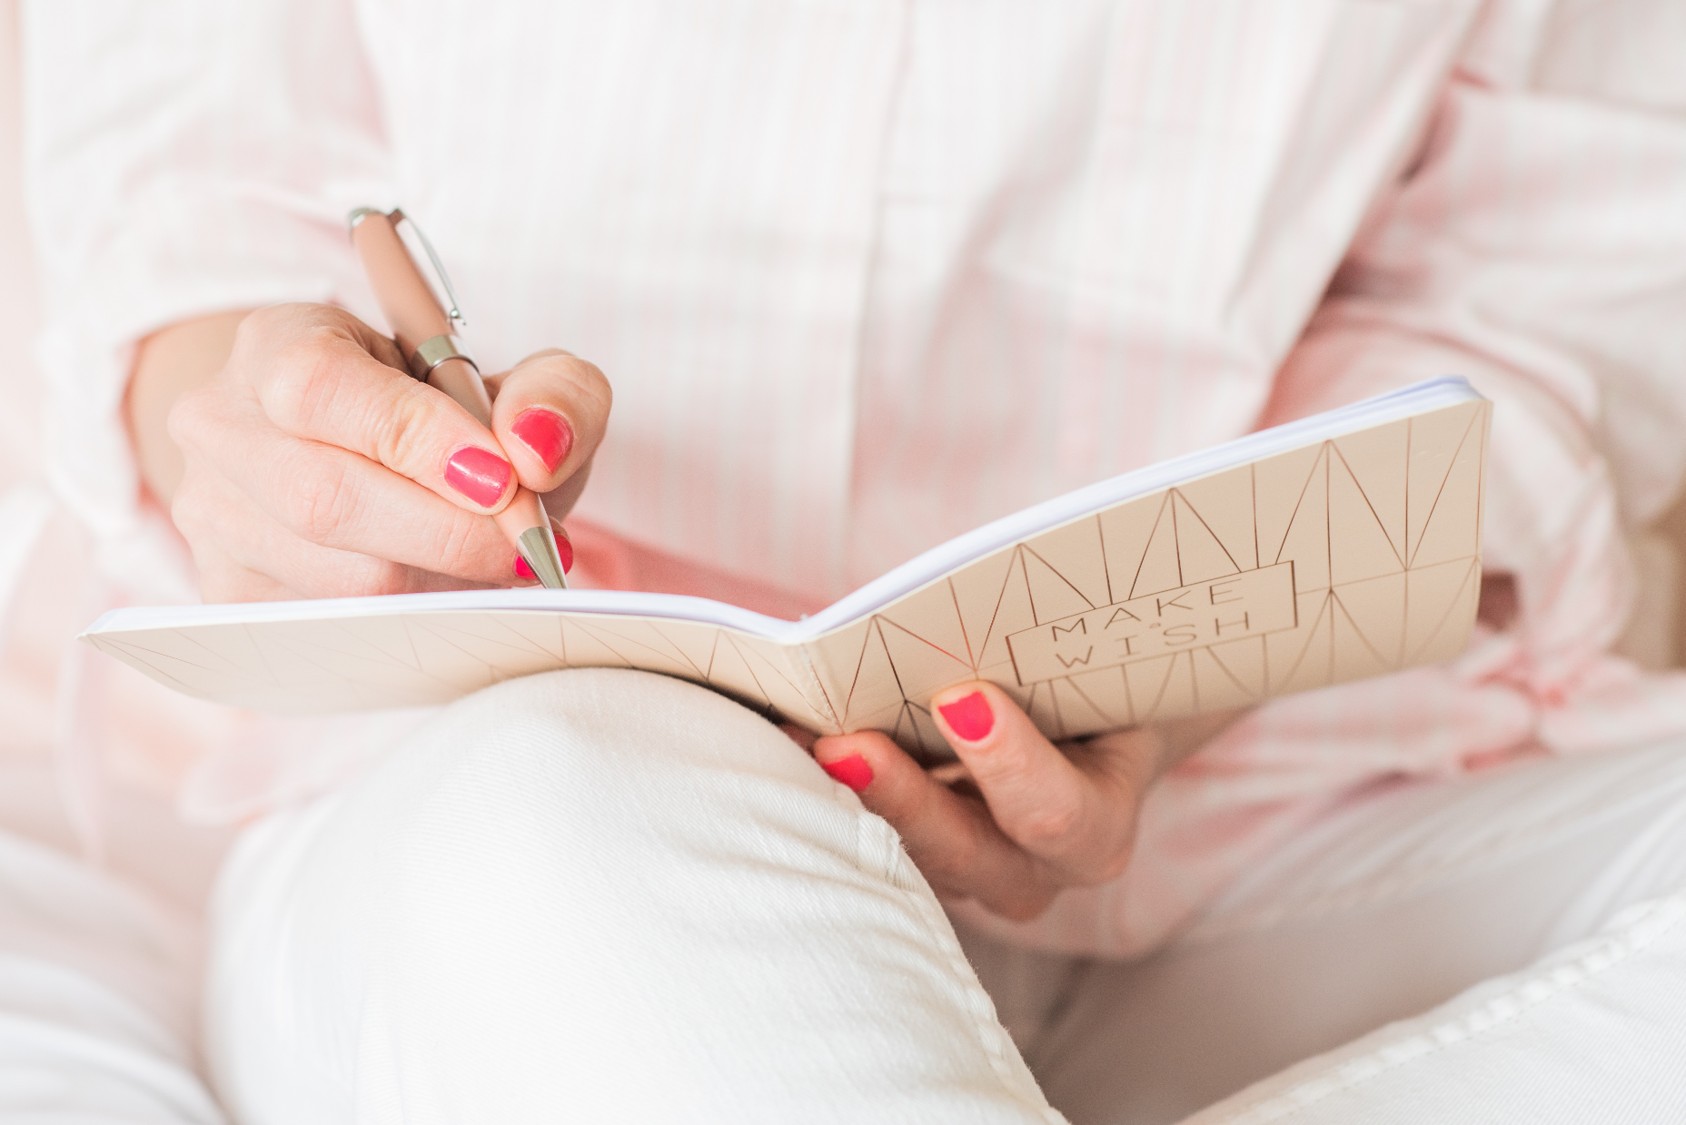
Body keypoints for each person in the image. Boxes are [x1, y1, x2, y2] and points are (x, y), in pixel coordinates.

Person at [8, 1, 1686, 1120]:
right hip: (496, 790)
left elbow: (1548, 300)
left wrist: (1171, 673)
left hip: (1255, 832)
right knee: (569, 817)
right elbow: (175, 189)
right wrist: (246, 418)